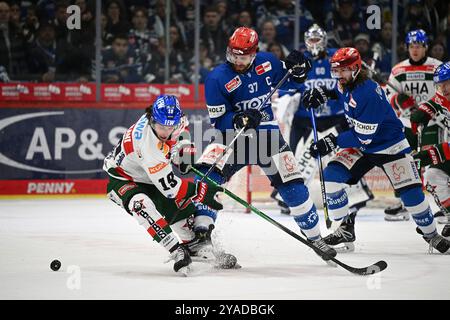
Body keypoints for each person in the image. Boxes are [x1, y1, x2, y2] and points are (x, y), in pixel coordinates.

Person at [193, 26, 337, 262]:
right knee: (205, 177)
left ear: (254, 53)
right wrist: (238, 119)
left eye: (244, 57)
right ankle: (201, 236)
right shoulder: (216, 78)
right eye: (234, 55)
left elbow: (291, 82)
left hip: (268, 137)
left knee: (293, 186)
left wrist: (301, 72)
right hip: (233, 138)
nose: (238, 61)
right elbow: (219, 120)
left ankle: (315, 237)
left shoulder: (268, 62)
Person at [301, 47, 449, 254]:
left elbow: (364, 136)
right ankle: (344, 228)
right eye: (336, 71)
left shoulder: (368, 94)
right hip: (363, 146)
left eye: (342, 71)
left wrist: (332, 142)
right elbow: (339, 92)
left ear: (355, 68)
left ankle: (431, 234)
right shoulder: (347, 82)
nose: (338, 75)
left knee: (412, 194)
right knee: (331, 177)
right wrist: (323, 94)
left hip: (390, 146)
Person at [103, 95, 225, 274]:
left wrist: (184, 151)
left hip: (149, 175)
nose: (165, 132)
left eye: (170, 127)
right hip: (123, 178)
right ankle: (176, 250)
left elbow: (183, 130)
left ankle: (193, 244)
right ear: (152, 120)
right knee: (141, 206)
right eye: (161, 127)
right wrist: (201, 190)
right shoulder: (147, 146)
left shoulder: (172, 119)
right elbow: (171, 189)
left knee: (182, 212)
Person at [271, 24, 374, 223]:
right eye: (311, 40)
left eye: (318, 40)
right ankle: (287, 196)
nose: (314, 44)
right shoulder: (300, 61)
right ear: (305, 41)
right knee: (292, 155)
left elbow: (352, 77)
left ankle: (356, 195)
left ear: (324, 40)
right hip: (305, 118)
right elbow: (285, 87)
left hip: (335, 117)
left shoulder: (335, 58)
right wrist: (288, 99)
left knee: (344, 155)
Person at [383, 29, 441, 221]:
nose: (415, 50)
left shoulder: (437, 68)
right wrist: (399, 100)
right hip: (407, 124)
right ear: (407, 48)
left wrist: (431, 107)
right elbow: (387, 96)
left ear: (426, 47)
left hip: (433, 123)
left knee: (436, 163)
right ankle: (403, 203)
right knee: (404, 162)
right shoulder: (398, 70)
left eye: (418, 46)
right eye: (411, 46)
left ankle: (442, 203)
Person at [410, 61, 450, 224]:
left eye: (447, 84)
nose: (444, 89)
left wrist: (429, 155)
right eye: (440, 86)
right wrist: (420, 114)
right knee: (433, 175)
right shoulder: (443, 97)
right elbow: (434, 103)